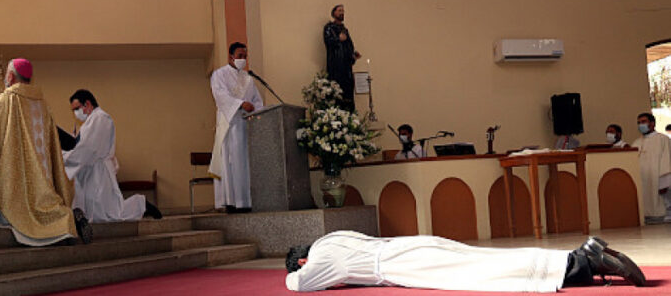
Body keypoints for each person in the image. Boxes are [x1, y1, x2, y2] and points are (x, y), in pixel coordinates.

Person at [0, 58, 91, 246]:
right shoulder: (42, 104)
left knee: (13, 199)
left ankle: (32, 220)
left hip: (18, 169)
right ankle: (62, 219)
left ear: (10, 76)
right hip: (42, 175)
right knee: (47, 202)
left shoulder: (8, 98)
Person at [285, 230, 645, 293]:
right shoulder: (334, 238)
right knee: (488, 259)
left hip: (398, 266)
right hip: (409, 247)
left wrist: (295, 273)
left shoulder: (319, 256)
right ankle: (580, 256)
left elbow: (301, 284)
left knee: (488, 273)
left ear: (303, 257)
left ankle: (583, 263)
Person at [63, 89, 162, 222]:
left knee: (111, 213)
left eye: (76, 109)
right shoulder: (90, 121)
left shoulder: (101, 118)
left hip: (99, 171)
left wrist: (65, 158)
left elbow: (88, 148)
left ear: (87, 104)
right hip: (90, 170)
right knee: (99, 212)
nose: (75, 114)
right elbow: (83, 145)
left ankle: (142, 204)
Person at [209, 42, 264, 213]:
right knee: (231, 162)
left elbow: (257, 101)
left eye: (245, 56)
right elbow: (220, 95)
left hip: (245, 127)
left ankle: (245, 201)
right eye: (240, 56)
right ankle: (231, 202)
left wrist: (254, 108)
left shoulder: (248, 78)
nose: (243, 59)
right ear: (231, 56)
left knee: (245, 164)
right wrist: (240, 104)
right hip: (229, 126)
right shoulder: (220, 74)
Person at [631, 113, 671, 224]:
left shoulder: (662, 139)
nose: (640, 125)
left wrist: (664, 182)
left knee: (659, 203)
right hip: (641, 180)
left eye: (643, 122)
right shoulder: (636, 142)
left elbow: (667, 161)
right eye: (639, 122)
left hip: (657, 180)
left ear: (652, 123)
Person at [323, 4, 361, 111]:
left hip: (346, 67)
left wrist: (353, 55)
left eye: (343, 11)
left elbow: (349, 46)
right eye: (339, 10)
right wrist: (338, 39)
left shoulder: (345, 29)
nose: (342, 12)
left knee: (348, 92)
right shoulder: (329, 28)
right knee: (337, 92)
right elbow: (328, 42)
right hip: (336, 66)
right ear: (334, 13)